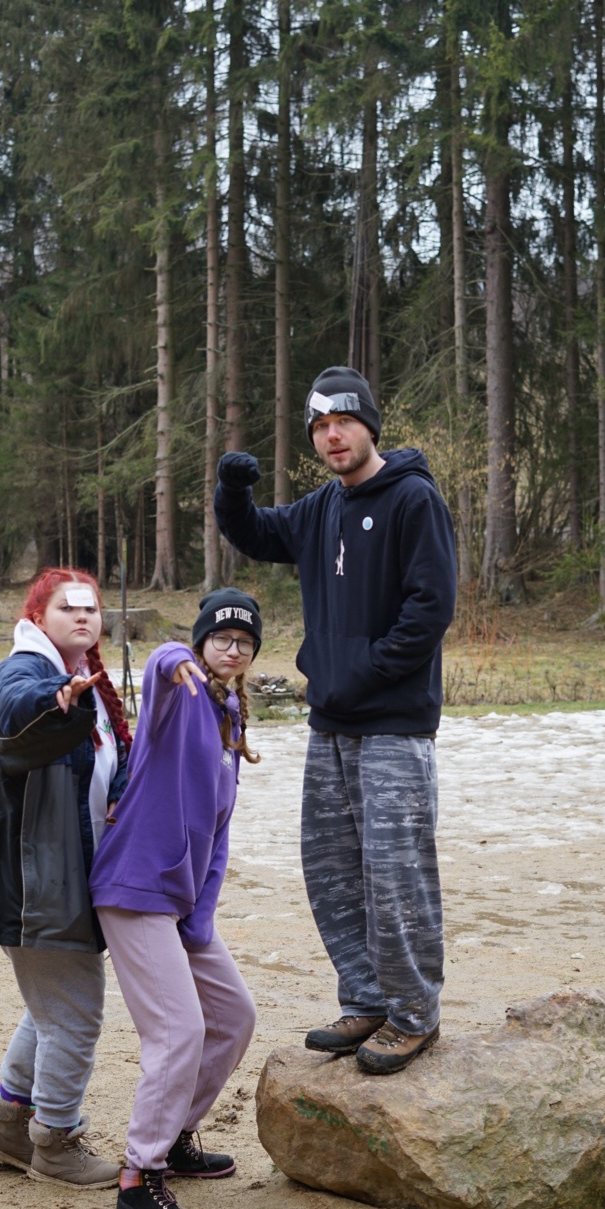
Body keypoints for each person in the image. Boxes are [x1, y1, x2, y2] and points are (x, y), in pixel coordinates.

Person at [215, 366, 457, 1075]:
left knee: (396, 873)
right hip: (331, 728)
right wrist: (233, 490)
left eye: (342, 422)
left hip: (394, 728)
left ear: (369, 426)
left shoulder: (413, 500)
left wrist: (365, 671)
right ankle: (367, 999)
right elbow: (257, 533)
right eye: (319, 427)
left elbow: (430, 608)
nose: (331, 436)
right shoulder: (323, 507)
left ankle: (413, 1014)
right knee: (332, 871)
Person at [0, 567, 130, 1188]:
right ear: (37, 617)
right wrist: (55, 699)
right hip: (32, 883)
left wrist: (121, 786)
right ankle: (55, 1141)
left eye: (91, 609)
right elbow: (14, 712)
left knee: (51, 1005)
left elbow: (111, 760)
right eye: (67, 608)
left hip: (60, 876)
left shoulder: (82, 679)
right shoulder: (26, 672)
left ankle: (8, 1124)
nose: (82, 616)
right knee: (74, 1012)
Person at [88, 588, 261, 1209]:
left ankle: (179, 1132)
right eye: (221, 638)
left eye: (245, 642)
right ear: (202, 642)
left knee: (234, 1017)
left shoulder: (229, 715)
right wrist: (173, 659)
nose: (233, 649)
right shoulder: (180, 690)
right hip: (135, 888)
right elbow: (161, 662)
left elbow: (218, 834)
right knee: (178, 1030)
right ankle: (139, 1180)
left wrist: (200, 917)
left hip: (180, 904)